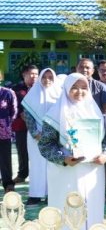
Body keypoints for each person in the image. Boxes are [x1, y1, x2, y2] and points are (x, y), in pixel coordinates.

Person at [39, 73, 106, 230]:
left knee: (91, 209)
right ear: (66, 89)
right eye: (74, 88)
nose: (80, 91)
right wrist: (63, 159)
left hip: (92, 172)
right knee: (69, 210)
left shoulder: (95, 112)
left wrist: (105, 155)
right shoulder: (55, 114)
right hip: (66, 173)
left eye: (84, 88)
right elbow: (45, 145)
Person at [22, 68, 62, 205]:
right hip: (36, 137)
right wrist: (35, 133)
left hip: (54, 138)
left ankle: (52, 194)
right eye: (44, 77)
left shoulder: (60, 95)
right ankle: (35, 195)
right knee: (36, 165)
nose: (47, 80)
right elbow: (27, 115)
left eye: (50, 77)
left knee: (53, 165)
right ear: (40, 78)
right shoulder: (32, 94)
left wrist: (54, 134)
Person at [11, 64, 38, 184]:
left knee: (38, 151)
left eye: (36, 74)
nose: (34, 76)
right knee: (22, 150)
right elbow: (13, 107)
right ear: (24, 74)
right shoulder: (16, 89)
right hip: (21, 126)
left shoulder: (41, 89)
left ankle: (38, 175)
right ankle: (22, 174)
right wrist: (21, 115)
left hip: (38, 126)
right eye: (31, 74)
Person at [0, 70, 18, 192]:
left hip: (4, 131)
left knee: (5, 158)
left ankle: (8, 183)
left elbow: (13, 112)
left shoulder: (8, 93)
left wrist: (5, 124)